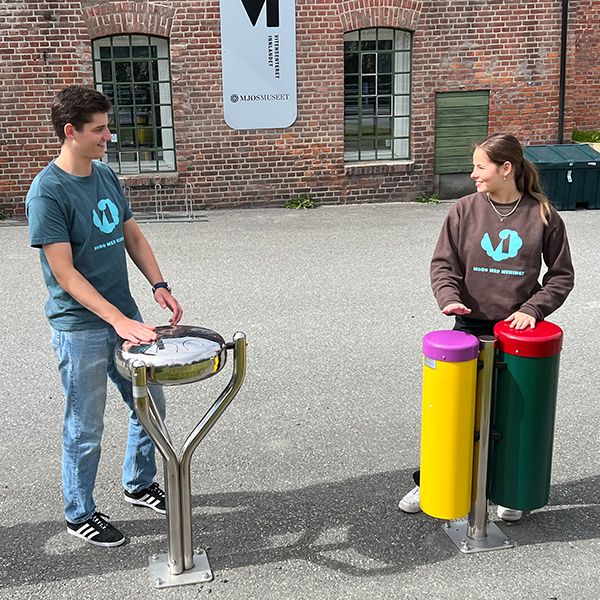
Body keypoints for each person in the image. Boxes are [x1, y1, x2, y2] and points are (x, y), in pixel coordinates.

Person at [26, 85, 183, 547]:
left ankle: (137, 483)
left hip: (125, 316)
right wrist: (116, 319)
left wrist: (159, 286)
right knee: (85, 425)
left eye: (107, 127)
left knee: (148, 404)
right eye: (99, 130)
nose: (108, 136)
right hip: (82, 328)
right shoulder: (47, 193)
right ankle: (80, 512)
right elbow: (65, 274)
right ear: (70, 132)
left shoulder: (104, 175)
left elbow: (132, 235)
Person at [398, 132, 575, 522]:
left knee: (509, 414)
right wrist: (448, 298)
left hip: (516, 333)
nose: (473, 173)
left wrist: (534, 309)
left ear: (506, 169)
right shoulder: (463, 210)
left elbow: (561, 276)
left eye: (480, 166)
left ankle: (507, 489)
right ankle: (433, 481)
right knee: (453, 414)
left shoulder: (543, 215)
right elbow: (443, 264)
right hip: (467, 325)